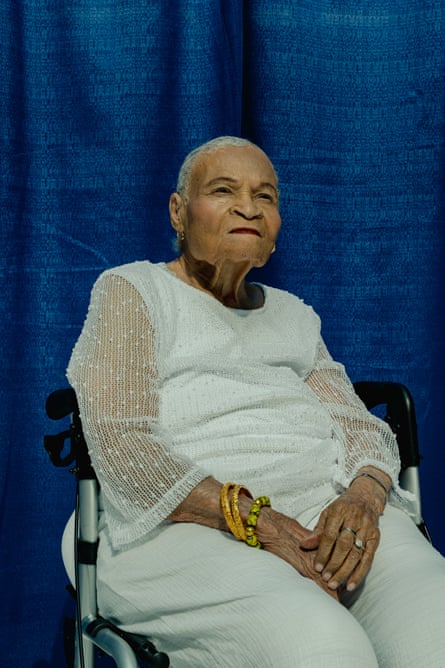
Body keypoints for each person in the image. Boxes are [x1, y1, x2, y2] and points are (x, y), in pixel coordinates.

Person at [65, 136, 445, 667]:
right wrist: (261, 522)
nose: (249, 206)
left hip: (324, 513)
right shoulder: (135, 290)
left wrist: (361, 498)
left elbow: (358, 427)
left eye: (265, 196)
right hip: (179, 529)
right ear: (179, 211)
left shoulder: (292, 315)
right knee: (324, 647)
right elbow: (125, 445)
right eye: (224, 190)